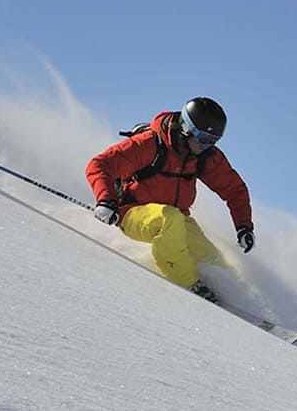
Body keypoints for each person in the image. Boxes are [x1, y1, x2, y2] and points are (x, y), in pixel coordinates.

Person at [85, 96, 254, 301]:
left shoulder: (205, 156)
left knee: (211, 258)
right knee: (169, 220)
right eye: (202, 139)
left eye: (213, 141)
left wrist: (244, 226)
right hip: (133, 212)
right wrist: (106, 200)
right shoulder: (150, 145)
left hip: (177, 217)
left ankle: (241, 302)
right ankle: (188, 283)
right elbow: (99, 165)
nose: (206, 146)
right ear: (186, 128)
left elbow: (234, 189)